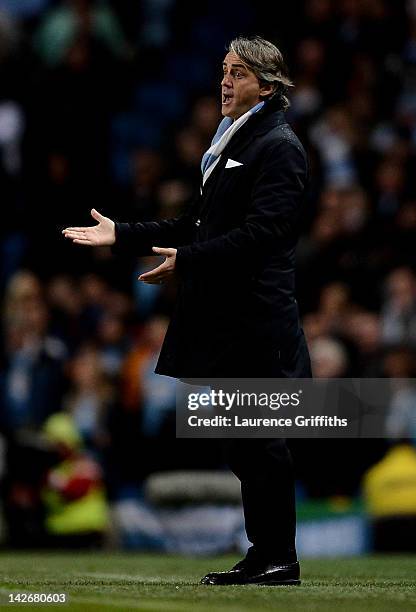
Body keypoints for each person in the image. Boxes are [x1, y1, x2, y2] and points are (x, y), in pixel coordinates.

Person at [63, 35, 311, 585]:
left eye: (239, 73)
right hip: (225, 319)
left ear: (268, 86)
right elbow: (192, 227)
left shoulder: (279, 146)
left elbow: (265, 233)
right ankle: (266, 551)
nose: (225, 80)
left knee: (260, 442)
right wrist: (121, 234)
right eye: (224, 70)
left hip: (256, 319)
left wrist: (191, 261)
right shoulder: (230, 143)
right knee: (242, 445)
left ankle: (279, 557)